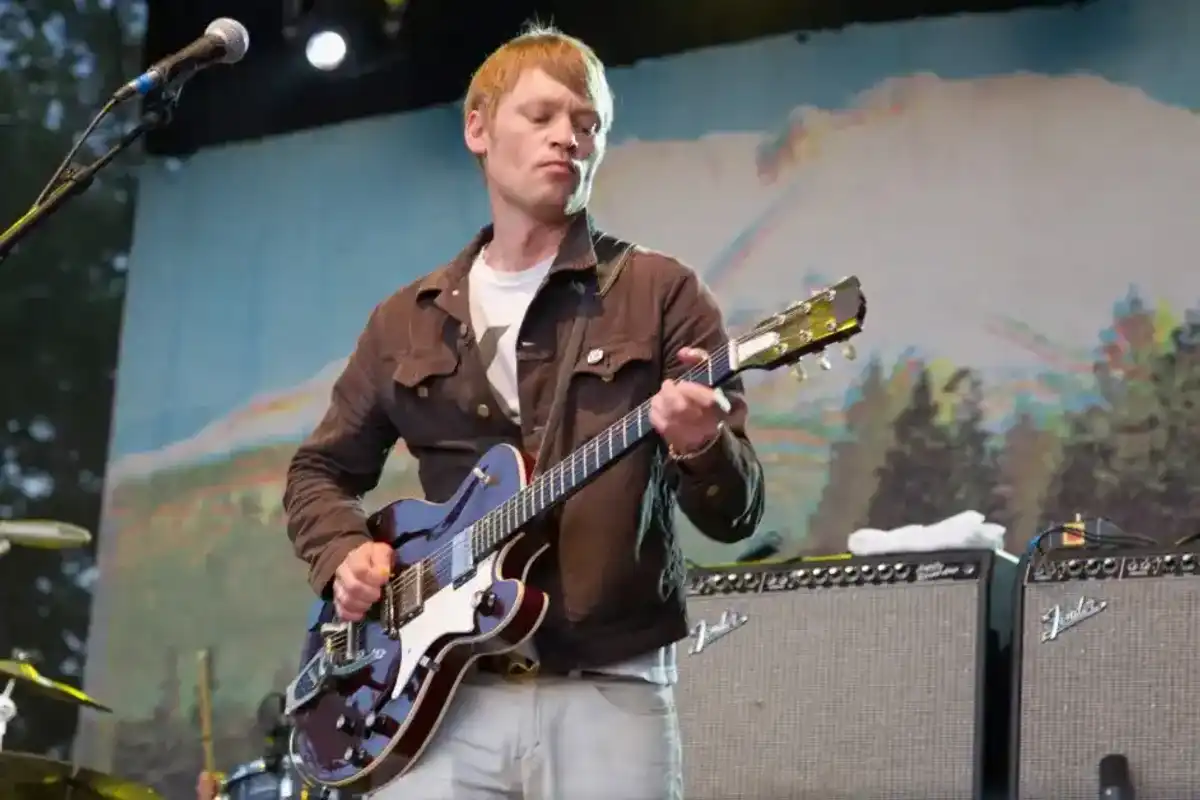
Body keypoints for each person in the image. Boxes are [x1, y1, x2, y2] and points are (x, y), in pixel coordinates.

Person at [283, 23, 765, 800]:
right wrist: (344, 553)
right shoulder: (404, 320)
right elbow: (318, 470)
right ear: (478, 128)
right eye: (541, 117)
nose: (567, 139)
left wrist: (702, 445)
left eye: (587, 125)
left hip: (611, 692)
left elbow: (737, 512)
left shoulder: (660, 291)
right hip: (434, 701)